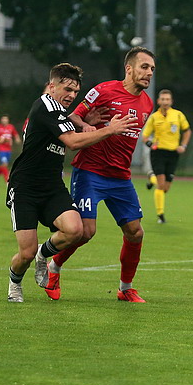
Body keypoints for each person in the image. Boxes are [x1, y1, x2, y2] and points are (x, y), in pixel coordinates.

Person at [6, 63, 137, 303]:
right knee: (25, 254)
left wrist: (83, 123)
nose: (72, 95)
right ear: (51, 86)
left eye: (76, 91)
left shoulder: (58, 111)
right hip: (25, 187)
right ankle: (15, 282)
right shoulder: (45, 106)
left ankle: (43, 254)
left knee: (76, 230)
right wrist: (110, 129)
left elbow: (66, 124)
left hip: (52, 186)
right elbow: (73, 142)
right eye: (67, 89)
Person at [42, 46, 156, 303]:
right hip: (90, 171)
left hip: (121, 176)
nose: (149, 73)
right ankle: (53, 267)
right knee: (85, 232)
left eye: (152, 69)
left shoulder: (147, 103)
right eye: (144, 67)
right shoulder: (104, 90)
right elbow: (73, 116)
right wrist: (86, 124)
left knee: (135, 232)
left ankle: (125, 288)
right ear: (129, 68)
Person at [141, 89, 191, 224]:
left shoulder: (178, 115)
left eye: (167, 99)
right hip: (158, 153)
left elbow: (187, 131)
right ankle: (160, 215)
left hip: (173, 154)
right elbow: (145, 136)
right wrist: (151, 144)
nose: (165, 102)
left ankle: (151, 177)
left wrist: (183, 145)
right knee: (161, 185)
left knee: (166, 188)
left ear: (171, 101)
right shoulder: (154, 117)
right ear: (158, 101)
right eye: (163, 99)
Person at [0, 114, 21, 183]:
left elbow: (15, 134)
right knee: (5, 164)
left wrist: (17, 139)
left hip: (8, 150)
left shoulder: (11, 127)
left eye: (5, 119)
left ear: (8, 120)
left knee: (3, 165)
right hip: (1, 149)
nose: (4, 120)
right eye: (3, 119)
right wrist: (1, 140)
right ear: (1, 120)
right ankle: (7, 180)